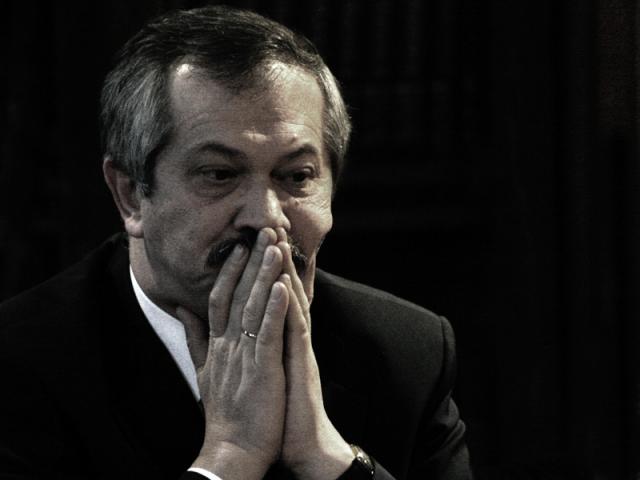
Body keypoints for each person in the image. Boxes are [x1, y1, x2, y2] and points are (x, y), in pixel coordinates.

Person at [0, 6, 472, 480]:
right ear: (131, 195)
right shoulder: (19, 362)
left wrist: (328, 458)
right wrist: (230, 457)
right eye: (220, 174)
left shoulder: (406, 352)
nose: (266, 217)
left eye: (296, 177)